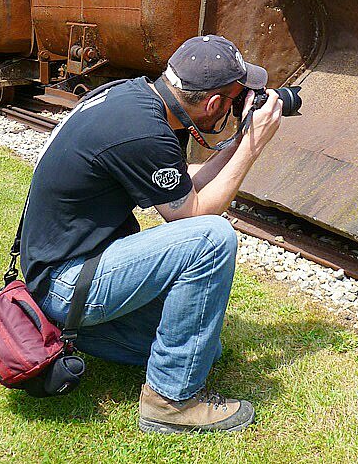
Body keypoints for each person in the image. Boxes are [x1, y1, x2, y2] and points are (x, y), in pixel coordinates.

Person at [20, 34, 283, 433]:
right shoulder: (146, 131)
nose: (236, 106)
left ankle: (79, 334)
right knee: (213, 238)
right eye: (233, 100)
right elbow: (193, 216)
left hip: (58, 270)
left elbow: (183, 188)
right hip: (66, 281)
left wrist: (235, 142)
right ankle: (171, 401)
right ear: (214, 103)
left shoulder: (138, 101)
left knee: (206, 351)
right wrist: (253, 145)